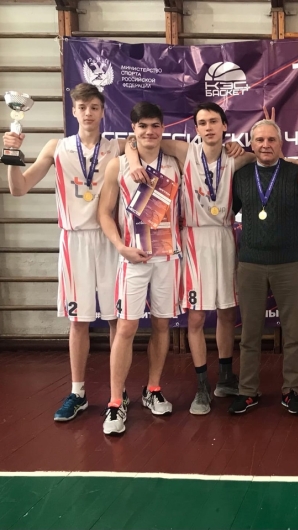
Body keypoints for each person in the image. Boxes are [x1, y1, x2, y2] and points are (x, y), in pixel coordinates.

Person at [2, 83, 126, 422]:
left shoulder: (118, 147)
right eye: (82, 107)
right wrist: (11, 154)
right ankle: (78, 392)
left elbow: (162, 145)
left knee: (117, 319)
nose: (88, 113)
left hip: (110, 240)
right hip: (74, 242)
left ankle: (118, 393)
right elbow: (19, 188)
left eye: (94, 107)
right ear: (73, 111)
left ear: (103, 112)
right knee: (78, 321)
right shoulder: (56, 147)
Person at [126, 102, 252, 415]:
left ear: (225, 126)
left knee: (227, 313)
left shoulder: (236, 157)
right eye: (202, 123)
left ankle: (225, 377)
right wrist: (133, 161)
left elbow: (272, 158)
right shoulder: (185, 151)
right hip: (193, 239)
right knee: (196, 318)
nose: (208, 127)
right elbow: (133, 141)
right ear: (195, 129)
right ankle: (202, 386)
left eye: (214, 121)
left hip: (225, 238)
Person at [98, 102, 182, 435]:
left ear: (163, 128)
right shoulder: (117, 165)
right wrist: (120, 247)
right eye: (142, 126)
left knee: (162, 325)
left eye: (155, 125)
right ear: (133, 128)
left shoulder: (174, 162)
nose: (150, 131)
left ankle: (153, 389)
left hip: (167, 258)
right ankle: (116, 402)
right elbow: (104, 213)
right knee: (126, 327)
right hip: (132, 258)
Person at [228, 119, 298, 415]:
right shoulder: (241, 175)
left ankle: (291, 391)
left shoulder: (295, 174)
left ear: (281, 143)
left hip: (288, 264)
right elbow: (229, 212)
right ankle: (248, 391)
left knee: (293, 332)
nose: (265, 145)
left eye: (271, 140)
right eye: (260, 140)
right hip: (250, 264)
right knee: (249, 334)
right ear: (252, 144)